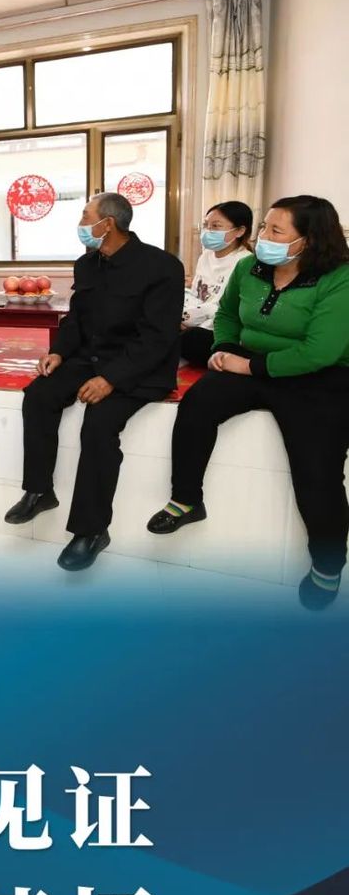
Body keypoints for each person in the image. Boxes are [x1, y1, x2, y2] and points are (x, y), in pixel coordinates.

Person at [146, 194, 349, 611]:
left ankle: (328, 562)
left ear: (310, 239)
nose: (264, 237)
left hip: (318, 376)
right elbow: (227, 316)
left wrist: (249, 367)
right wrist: (223, 348)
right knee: (197, 404)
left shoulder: (339, 278)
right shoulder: (249, 268)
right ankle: (187, 499)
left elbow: (320, 351)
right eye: (263, 228)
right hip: (250, 362)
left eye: (276, 230)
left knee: (318, 470)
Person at [5, 192, 185, 571]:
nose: (81, 224)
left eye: (86, 217)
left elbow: (158, 338)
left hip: (140, 368)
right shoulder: (87, 264)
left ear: (108, 224)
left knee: (99, 424)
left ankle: (91, 530)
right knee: (39, 394)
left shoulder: (162, 267)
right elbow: (76, 320)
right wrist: (59, 352)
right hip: (92, 358)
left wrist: (111, 379)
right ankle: (39, 490)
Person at [180, 201, 254, 367]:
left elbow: (226, 310)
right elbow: (197, 295)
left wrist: (186, 319)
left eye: (215, 226)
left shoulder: (245, 262)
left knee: (191, 339)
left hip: (218, 329)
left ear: (240, 231)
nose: (208, 231)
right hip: (195, 318)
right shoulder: (206, 255)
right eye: (206, 225)